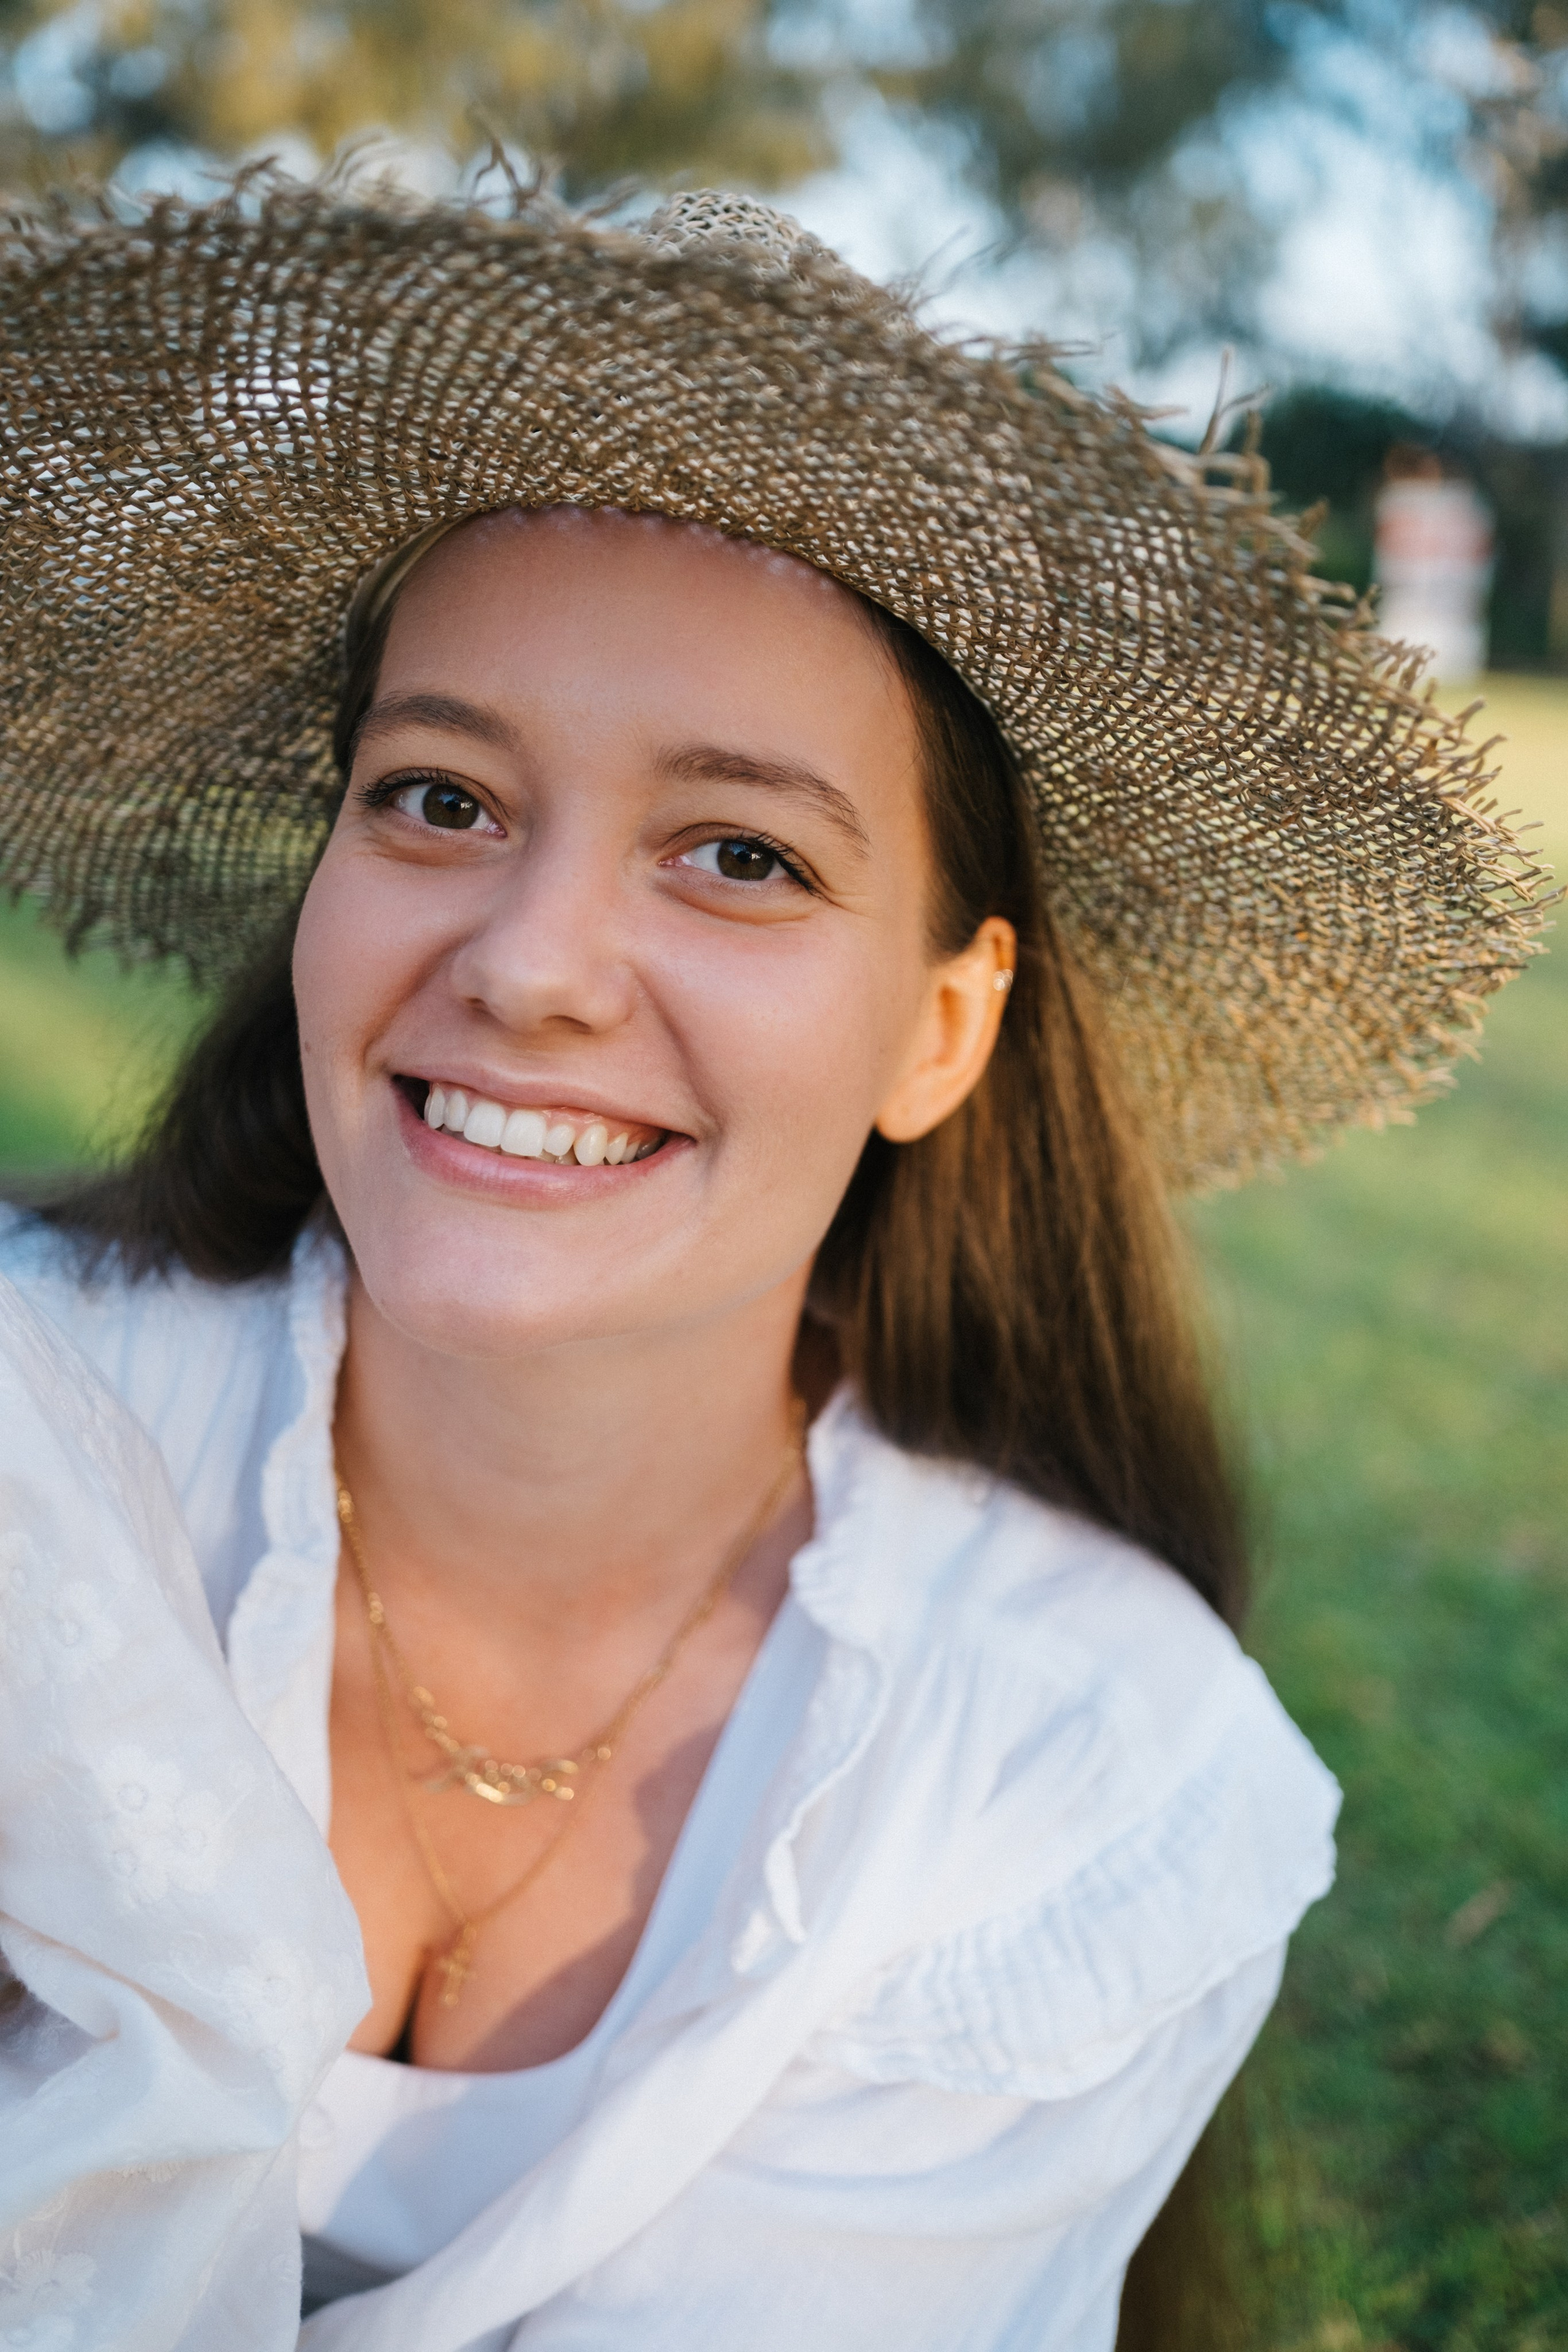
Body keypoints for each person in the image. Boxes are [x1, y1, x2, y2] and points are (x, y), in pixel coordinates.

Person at [0, 179, 1545, 2352]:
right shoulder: (36, 1446)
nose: (531, 964)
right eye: (439, 798)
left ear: (943, 1028)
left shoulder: (1077, 1778)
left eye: (740, 854)